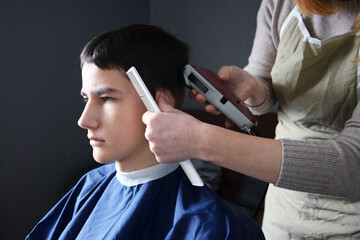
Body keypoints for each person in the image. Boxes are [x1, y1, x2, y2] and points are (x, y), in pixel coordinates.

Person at [141, 0, 360, 239]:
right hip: (285, 206)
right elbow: (264, 85)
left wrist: (201, 140)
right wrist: (253, 90)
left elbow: (353, 162)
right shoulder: (280, 5)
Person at [26, 24, 264, 239]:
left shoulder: (208, 226)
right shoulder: (89, 185)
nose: (84, 120)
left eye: (106, 98)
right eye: (86, 99)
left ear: (159, 104)